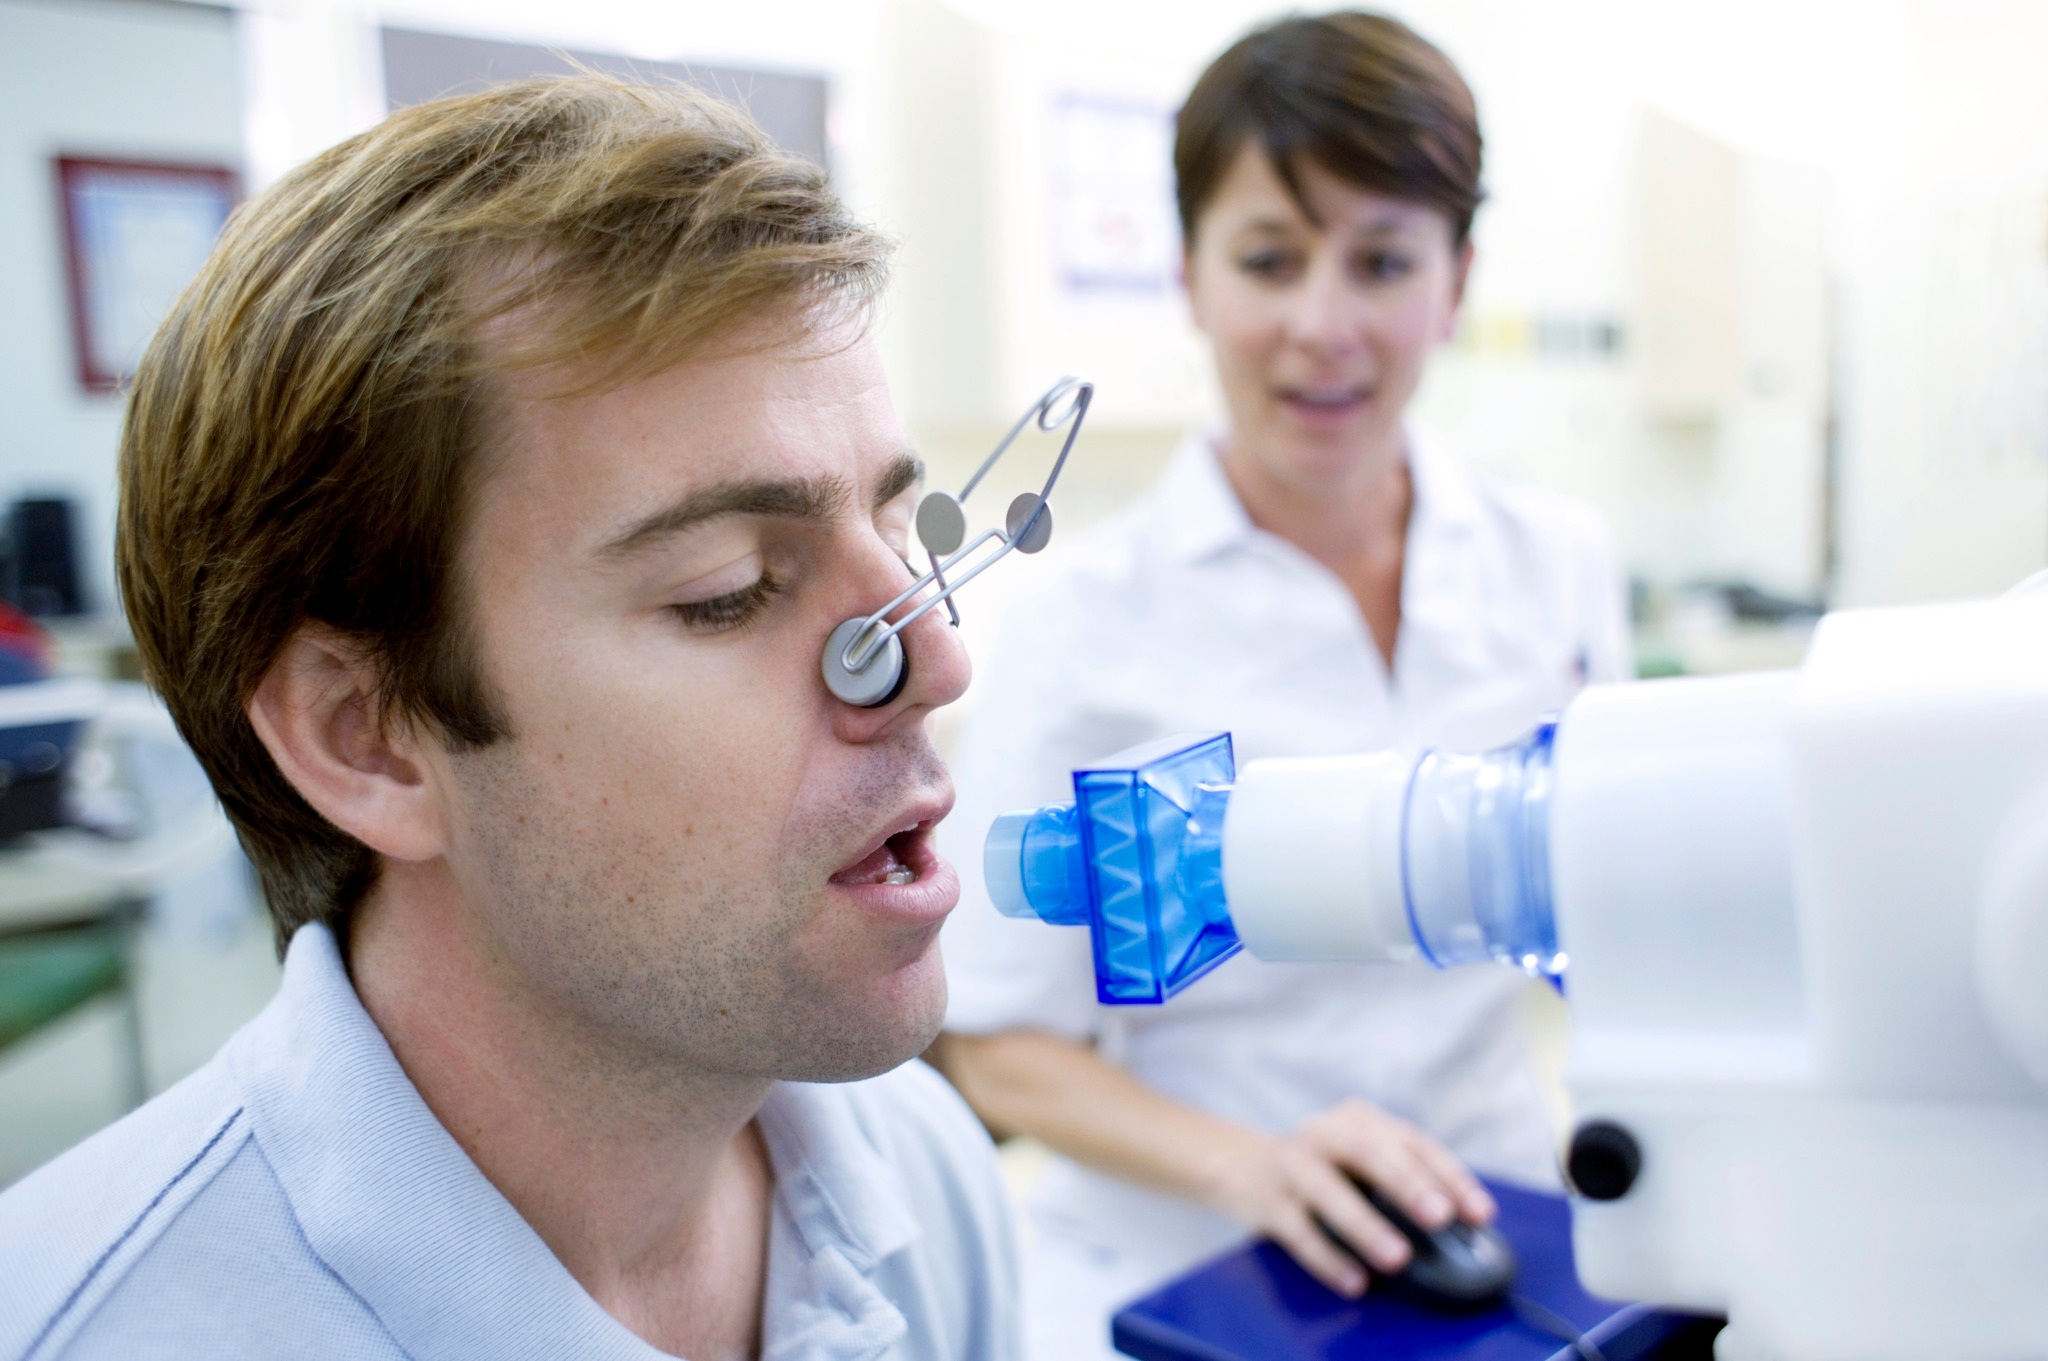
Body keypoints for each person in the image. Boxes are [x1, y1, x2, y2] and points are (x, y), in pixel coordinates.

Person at [0, 77, 1018, 1361]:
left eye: (889, 524)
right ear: (365, 736)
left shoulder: (919, 1180)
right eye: (730, 592)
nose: (933, 657)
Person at [930, 13, 1631, 1358]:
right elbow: (1002, 1038)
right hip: (1191, 1258)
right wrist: (1255, 1166)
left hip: (1504, 1231)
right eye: (1269, 259)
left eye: (1382, 260)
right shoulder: (1078, 618)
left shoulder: (1558, 564)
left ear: (1457, 278)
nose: (1324, 326)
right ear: (1189, 276)